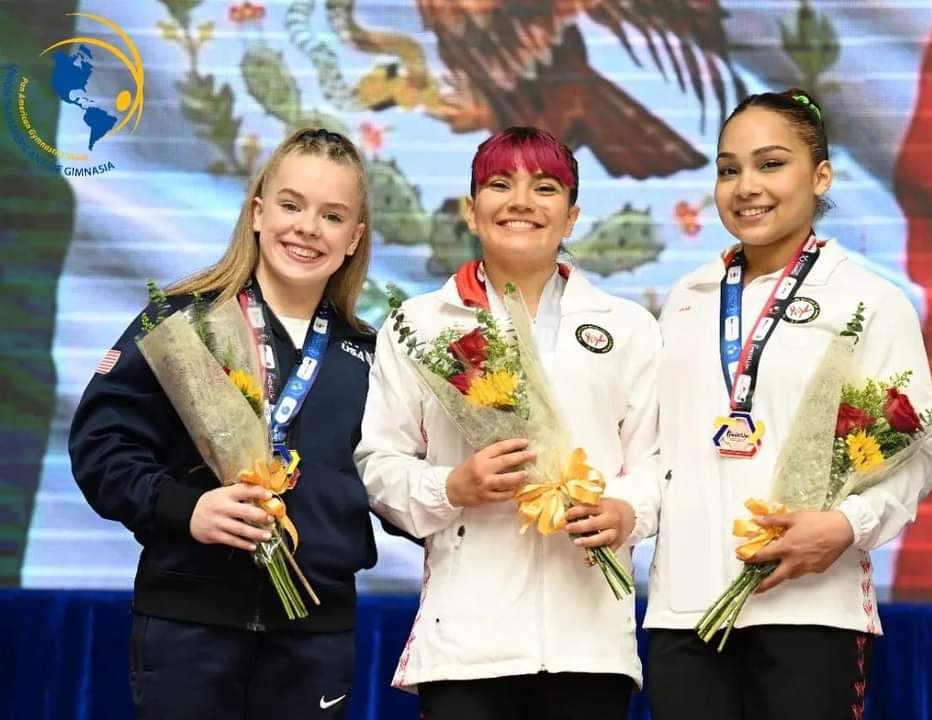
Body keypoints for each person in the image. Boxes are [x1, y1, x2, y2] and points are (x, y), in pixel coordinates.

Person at [636, 90, 932, 719]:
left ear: (821, 175)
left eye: (770, 164)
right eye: (728, 169)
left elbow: (916, 453)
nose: (746, 186)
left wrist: (847, 526)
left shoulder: (868, 300)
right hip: (685, 612)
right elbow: (659, 451)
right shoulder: (686, 298)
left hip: (811, 608)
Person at [70, 128, 381, 719]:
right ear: (258, 213)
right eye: (290, 205)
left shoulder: (371, 356)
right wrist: (184, 508)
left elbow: (393, 475)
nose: (307, 227)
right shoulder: (183, 324)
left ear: (353, 238)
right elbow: (100, 445)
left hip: (314, 637)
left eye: (332, 215)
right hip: (188, 623)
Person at [355, 126, 660, 720]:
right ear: (472, 211)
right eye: (500, 184)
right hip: (467, 645)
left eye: (545, 188)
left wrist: (626, 512)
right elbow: (378, 465)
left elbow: (657, 463)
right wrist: (451, 487)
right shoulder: (418, 326)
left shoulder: (628, 327)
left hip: (590, 643)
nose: (521, 201)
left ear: (571, 218)